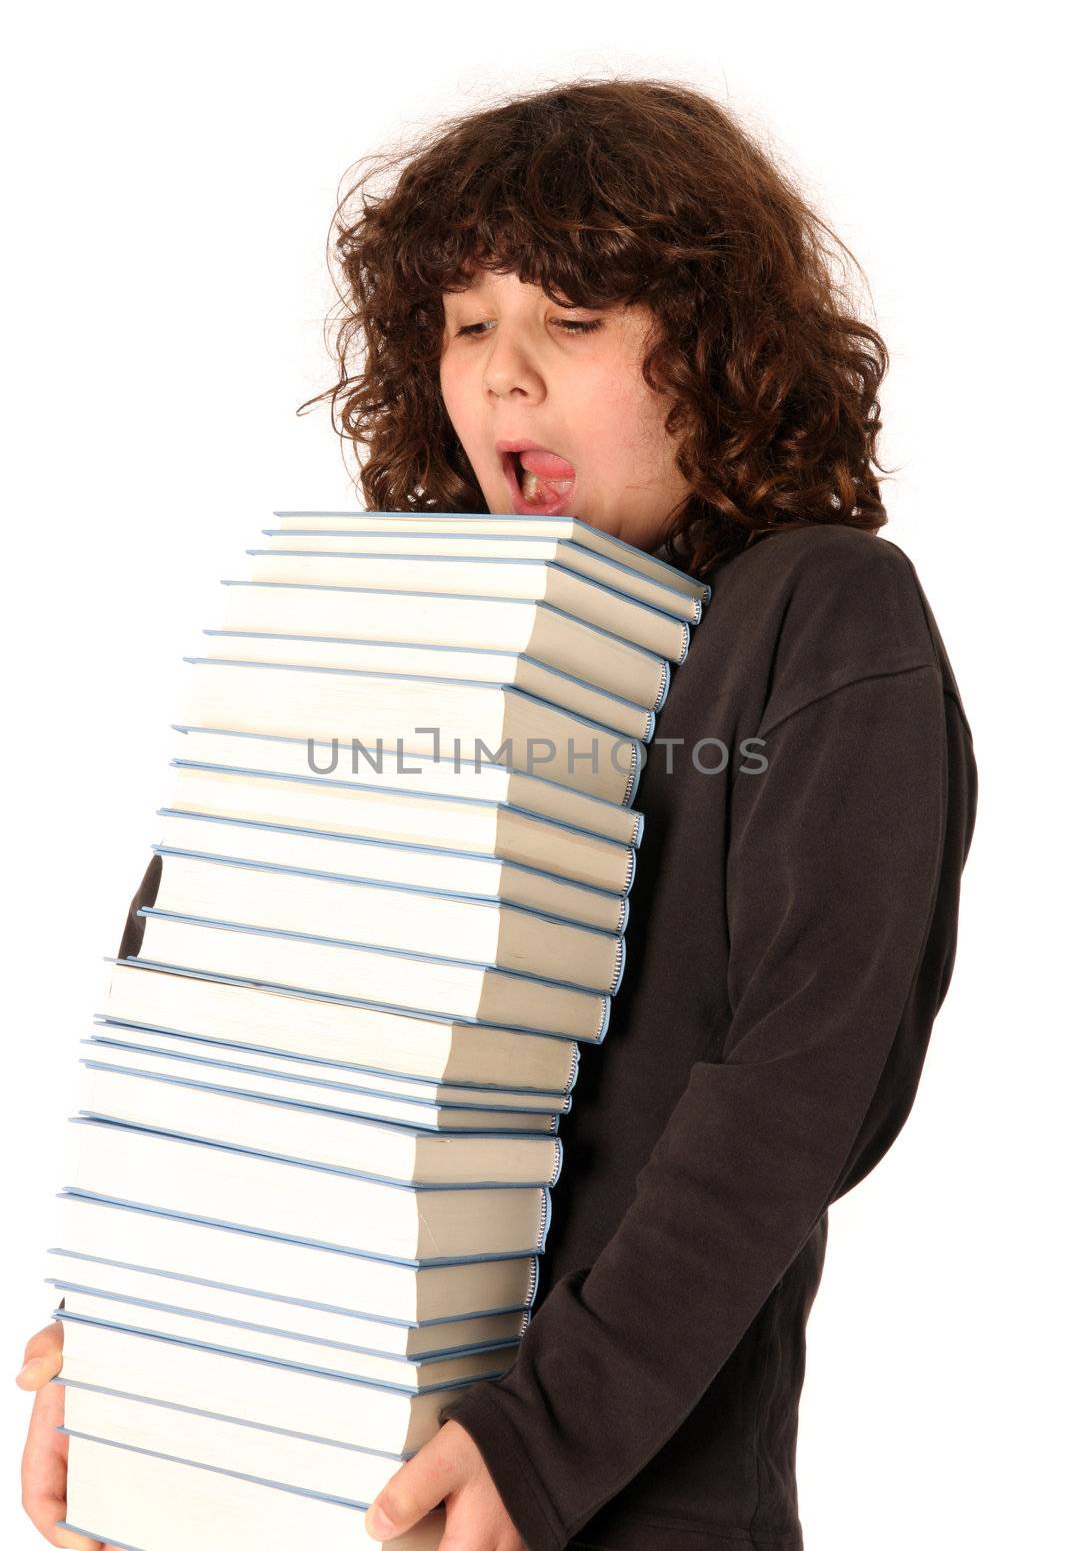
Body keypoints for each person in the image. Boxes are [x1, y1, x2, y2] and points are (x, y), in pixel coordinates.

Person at [17, 77, 978, 1551]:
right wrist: (123, 1345)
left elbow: (800, 1085)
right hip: (275, 1484)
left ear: (715, 351)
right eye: (469, 325)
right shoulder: (395, 627)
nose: (503, 379)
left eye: (572, 322)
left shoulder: (820, 616)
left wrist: (541, 1445)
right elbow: (203, 1010)